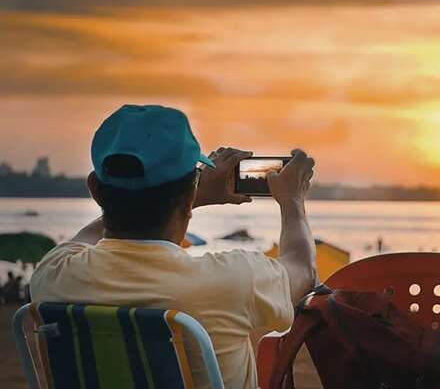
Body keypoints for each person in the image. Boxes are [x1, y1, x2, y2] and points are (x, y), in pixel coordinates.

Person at [30, 105, 317, 388]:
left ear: (94, 189)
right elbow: (302, 271)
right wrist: (292, 200)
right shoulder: (231, 282)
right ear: (187, 195)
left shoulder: (54, 276)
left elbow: (80, 242)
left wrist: (191, 194)